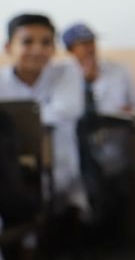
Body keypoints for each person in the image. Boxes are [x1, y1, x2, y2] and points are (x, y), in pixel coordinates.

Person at [0, 13, 87, 216]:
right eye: (27, 42)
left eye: (46, 42)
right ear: (8, 47)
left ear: (54, 48)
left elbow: (67, 110)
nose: (38, 49)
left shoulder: (67, 71)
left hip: (58, 168)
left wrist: (11, 123)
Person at [63, 22, 135, 233]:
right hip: (78, 150)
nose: (89, 48)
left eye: (91, 42)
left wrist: (129, 110)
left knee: (109, 172)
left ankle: (110, 234)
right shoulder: (63, 76)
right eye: (82, 44)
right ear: (70, 49)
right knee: (83, 170)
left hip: (113, 144)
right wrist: (85, 85)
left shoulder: (119, 71)